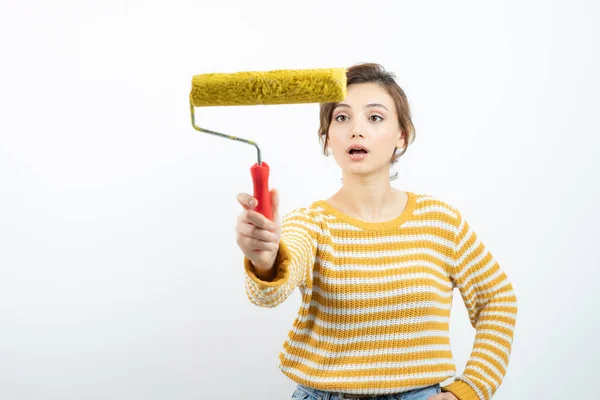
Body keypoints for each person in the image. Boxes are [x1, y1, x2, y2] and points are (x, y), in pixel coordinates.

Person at [235, 63, 517, 400]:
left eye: (375, 117)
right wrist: (265, 260)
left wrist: (470, 389)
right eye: (341, 118)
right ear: (328, 138)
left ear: (402, 135)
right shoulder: (310, 223)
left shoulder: (441, 221)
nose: (356, 130)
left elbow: (497, 299)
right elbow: (269, 293)